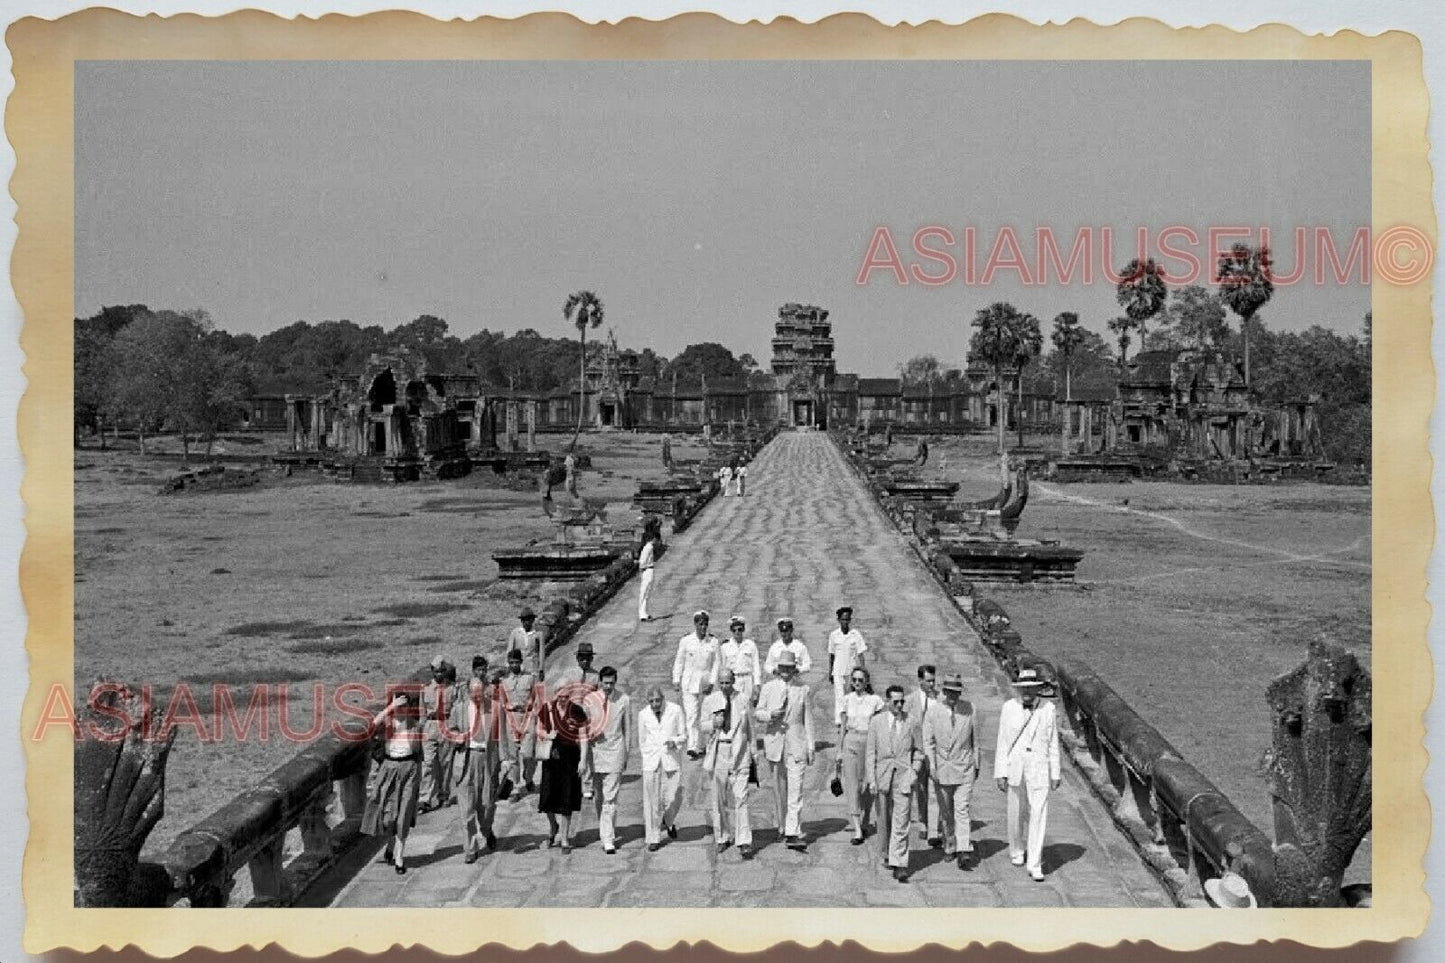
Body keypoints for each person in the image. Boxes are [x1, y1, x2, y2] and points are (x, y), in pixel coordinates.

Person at [993, 667, 1062, 881]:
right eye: (1024, 689)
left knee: (1038, 814)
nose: (1028, 693)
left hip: (1039, 768)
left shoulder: (1048, 708)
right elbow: (1003, 741)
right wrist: (1000, 772)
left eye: (1032, 689)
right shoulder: (1009, 708)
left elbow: (1052, 741)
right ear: (1018, 689)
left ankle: (1035, 863)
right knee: (1016, 813)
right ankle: (1016, 849)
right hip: (1015, 767)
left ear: (1038, 689)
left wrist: (1055, 772)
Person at [753, 649, 814, 850]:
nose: (786, 671)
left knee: (796, 788)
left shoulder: (803, 689)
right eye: (783, 668)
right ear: (778, 669)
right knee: (779, 787)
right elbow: (757, 712)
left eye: (790, 668)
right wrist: (770, 714)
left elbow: (808, 720)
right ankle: (782, 825)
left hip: (796, 743)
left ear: (795, 669)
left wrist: (810, 746)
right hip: (775, 741)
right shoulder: (769, 688)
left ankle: (792, 831)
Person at [922, 672, 982, 869]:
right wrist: (931, 765)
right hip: (942, 769)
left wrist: (977, 763)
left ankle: (964, 849)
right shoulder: (933, 712)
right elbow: (928, 742)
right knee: (947, 812)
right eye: (949, 692)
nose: (953, 696)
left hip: (964, 767)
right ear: (944, 691)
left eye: (957, 692)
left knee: (962, 808)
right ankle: (950, 844)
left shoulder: (970, 709)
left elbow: (976, 740)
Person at [361, 687, 423, 875]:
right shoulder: (388, 723)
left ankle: (399, 856)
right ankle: (390, 844)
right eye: (398, 706)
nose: (401, 710)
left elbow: (419, 752)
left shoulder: (415, 725)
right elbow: (370, 727)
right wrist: (389, 708)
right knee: (388, 815)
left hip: (409, 768)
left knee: (404, 813)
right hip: (389, 768)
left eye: (404, 706)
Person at [866, 684, 922, 883]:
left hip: (904, 777)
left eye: (902, 702)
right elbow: (870, 753)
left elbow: (919, 751)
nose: (899, 705)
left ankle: (900, 863)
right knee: (884, 820)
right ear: (887, 701)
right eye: (896, 702)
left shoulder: (912, 722)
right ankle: (887, 853)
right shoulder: (876, 722)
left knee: (902, 820)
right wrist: (871, 779)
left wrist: (913, 771)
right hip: (882, 776)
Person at [702, 670, 754, 857]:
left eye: (727, 682)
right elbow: (702, 725)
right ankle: (722, 836)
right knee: (719, 798)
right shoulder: (710, 701)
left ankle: (744, 840)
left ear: (733, 681)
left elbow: (750, 728)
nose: (724, 686)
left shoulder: (743, 699)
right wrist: (713, 724)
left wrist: (752, 753)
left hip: (739, 751)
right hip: (719, 751)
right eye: (721, 683)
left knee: (741, 797)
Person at [457, 655, 501, 863]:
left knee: (487, 805)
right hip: (467, 760)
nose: (476, 697)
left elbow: (504, 736)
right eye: (472, 694)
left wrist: (508, 760)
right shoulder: (460, 709)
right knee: (466, 809)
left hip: (487, 758)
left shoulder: (494, 708)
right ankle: (470, 848)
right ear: (468, 692)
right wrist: (456, 737)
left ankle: (487, 829)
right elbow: (450, 730)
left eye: (479, 693)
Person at [835, 666, 884, 845]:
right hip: (851, 741)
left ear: (867, 682)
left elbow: (879, 727)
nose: (856, 683)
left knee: (867, 784)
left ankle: (866, 817)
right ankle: (856, 828)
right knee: (853, 786)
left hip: (869, 742)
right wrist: (839, 750)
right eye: (854, 680)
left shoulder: (875, 701)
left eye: (860, 680)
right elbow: (842, 727)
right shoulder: (846, 700)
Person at [585, 666, 631, 854]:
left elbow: (627, 729)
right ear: (600, 682)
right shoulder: (589, 700)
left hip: (615, 751)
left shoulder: (624, 700)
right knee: (600, 796)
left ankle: (608, 838)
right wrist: (590, 734)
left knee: (611, 798)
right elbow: (582, 728)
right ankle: (604, 828)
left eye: (612, 683)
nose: (608, 687)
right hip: (596, 753)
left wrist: (626, 753)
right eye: (605, 683)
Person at [536, 691, 587, 853]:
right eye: (560, 696)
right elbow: (538, 729)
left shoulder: (577, 711)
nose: (563, 700)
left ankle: (564, 838)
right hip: (551, 758)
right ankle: (553, 826)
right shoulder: (547, 709)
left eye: (566, 696)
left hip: (570, 758)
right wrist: (548, 734)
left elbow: (583, 736)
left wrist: (583, 760)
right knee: (547, 798)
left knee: (567, 798)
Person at [638, 685, 685, 851]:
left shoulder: (675, 710)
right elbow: (642, 740)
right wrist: (649, 757)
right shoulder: (643, 714)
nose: (655, 704)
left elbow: (683, 735)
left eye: (658, 700)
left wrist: (675, 742)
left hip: (671, 759)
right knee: (652, 801)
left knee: (674, 796)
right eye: (651, 701)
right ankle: (653, 837)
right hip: (652, 762)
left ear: (663, 698)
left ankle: (669, 819)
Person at [672, 610, 720, 758]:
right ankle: (692, 745)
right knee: (691, 715)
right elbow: (679, 661)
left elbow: (717, 664)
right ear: (695, 624)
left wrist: (712, 682)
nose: (703, 627)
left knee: (706, 715)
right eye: (700, 624)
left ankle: (704, 744)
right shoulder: (686, 641)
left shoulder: (713, 642)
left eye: (706, 624)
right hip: (689, 682)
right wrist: (676, 679)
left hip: (706, 683)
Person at [904, 664, 942, 846]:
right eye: (928, 681)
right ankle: (924, 822)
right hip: (918, 750)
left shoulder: (940, 698)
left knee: (937, 787)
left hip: (936, 750)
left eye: (933, 680)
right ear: (920, 681)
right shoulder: (910, 700)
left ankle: (935, 825)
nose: (931, 684)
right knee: (921, 788)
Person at [499, 648, 539, 794]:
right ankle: (516, 786)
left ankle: (528, 778)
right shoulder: (504, 681)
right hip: (512, 719)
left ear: (521, 662)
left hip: (527, 718)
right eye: (511, 663)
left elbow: (536, 698)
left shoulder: (529, 678)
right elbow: (502, 703)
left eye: (516, 662)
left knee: (529, 754)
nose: (514, 665)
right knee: (513, 756)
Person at [420, 656, 458, 813]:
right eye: (436, 672)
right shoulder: (426, 688)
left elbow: (456, 710)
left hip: (446, 724)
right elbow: (422, 711)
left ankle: (444, 794)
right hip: (430, 726)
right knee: (428, 763)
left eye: (442, 671)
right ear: (432, 672)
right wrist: (421, 730)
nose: (440, 675)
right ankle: (424, 799)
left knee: (446, 763)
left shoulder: (453, 689)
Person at [826, 606, 868, 725]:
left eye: (848, 619)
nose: (845, 622)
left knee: (851, 695)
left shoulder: (855, 635)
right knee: (839, 696)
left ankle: (851, 719)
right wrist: (830, 671)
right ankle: (839, 721)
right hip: (838, 670)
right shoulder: (834, 635)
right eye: (843, 619)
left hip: (851, 671)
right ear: (838, 620)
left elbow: (860, 653)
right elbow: (832, 654)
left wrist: (863, 671)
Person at [718, 616, 762, 705]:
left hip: (747, 679)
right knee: (733, 705)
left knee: (747, 705)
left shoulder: (750, 645)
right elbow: (722, 667)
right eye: (734, 630)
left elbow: (756, 666)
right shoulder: (725, 647)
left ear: (743, 629)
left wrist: (757, 684)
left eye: (739, 629)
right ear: (731, 631)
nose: (737, 632)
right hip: (733, 680)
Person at [509, 607, 544, 681]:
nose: (527, 622)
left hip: (533, 668)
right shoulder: (515, 633)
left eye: (529, 620)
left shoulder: (538, 634)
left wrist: (541, 669)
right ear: (521, 621)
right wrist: (509, 667)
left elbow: (541, 653)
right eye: (524, 620)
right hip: (519, 668)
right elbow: (509, 651)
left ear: (533, 620)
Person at [637, 525, 659, 623]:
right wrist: (642, 570)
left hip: (649, 569)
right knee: (644, 592)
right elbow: (642, 561)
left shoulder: (649, 547)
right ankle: (641, 614)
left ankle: (644, 613)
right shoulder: (648, 547)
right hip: (647, 570)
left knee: (646, 593)